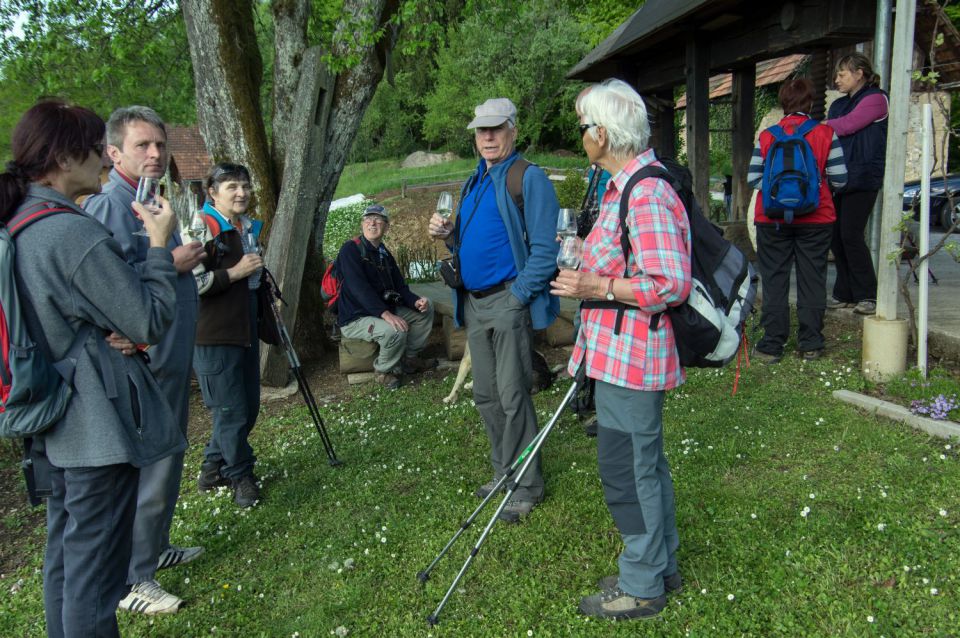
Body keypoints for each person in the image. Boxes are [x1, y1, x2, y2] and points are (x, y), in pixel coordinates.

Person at [0, 100, 179, 637]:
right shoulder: (68, 233)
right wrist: (157, 244)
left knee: (66, 560)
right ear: (61, 156)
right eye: (93, 148)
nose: (104, 158)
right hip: (94, 426)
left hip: (53, 415)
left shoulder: (19, 221)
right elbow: (148, 319)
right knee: (97, 576)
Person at [551, 79, 691, 620]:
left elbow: (669, 283)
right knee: (642, 465)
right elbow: (629, 255)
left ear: (603, 134)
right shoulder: (619, 186)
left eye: (585, 126)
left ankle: (642, 585)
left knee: (627, 468)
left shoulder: (646, 191)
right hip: (616, 355)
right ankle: (660, 565)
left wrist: (596, 286)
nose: (582, 135)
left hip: (633, 360)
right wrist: (590, 256)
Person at [83, 105, 206, 614]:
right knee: (151, 463)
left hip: (169, 358)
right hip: (144, 364)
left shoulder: (148, 199)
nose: (156, 153)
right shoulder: (110, 208)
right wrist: (173, 261)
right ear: (114, 153)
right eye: (142, 145)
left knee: (168, 456)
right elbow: (100, 286)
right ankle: (136, 579)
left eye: (160, 143)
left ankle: (153, 547)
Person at [428, 97, 559, 523]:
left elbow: (544, 250)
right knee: (485, 394)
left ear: (513, 131)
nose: (487, 137)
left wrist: (519, 297)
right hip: (474, 302)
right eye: (481, 130)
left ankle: (527, 485)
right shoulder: (473, 181)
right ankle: (504, 470)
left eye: (495, 128)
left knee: (512, 393)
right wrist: (450, 236)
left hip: (506, 301)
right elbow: (468, 246)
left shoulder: (528, 177)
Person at [747, 78, 848, 363]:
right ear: (811, 103)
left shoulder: (767, 137)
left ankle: (771, 345)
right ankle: (811, 344)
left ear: (783, 103)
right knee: (812, 278)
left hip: (771, 218)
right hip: (817, 219)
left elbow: (753, 178)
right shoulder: (827, 134)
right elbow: (840, 178)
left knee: (775, 279)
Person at [193, 162, 266, 508]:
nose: (241, 193)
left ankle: (212, 469)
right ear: (212, 193)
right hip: (214, 335)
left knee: (246, 407)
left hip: (245, 330)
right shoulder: (201, 227)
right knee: (231, 410)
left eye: (245, 186)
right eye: (232, 187)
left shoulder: (245, 227)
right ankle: (240, 476)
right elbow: (189, 284)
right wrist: (234, 273)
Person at [337, 204, 436, 389]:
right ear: (362, 224)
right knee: (395, 330)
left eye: (378, 219)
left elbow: (399, 286)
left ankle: (410, 359)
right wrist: (386, 314)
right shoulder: (350, 250)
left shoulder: (383, 253)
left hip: (381, 311)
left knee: (427, 308)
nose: (372, 223)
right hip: (356, 317)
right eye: (368, 219)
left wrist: (415, 301)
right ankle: (383, 371)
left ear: (387, 226)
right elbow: (359, 289)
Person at [824, 52, 889, 315]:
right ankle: (845, 292)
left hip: (863, 177)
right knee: (836, 236)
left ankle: (867, 295)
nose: (837, 80)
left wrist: (821, 126)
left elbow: (849, 125)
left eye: (842, 74)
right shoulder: (839, 104)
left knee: (850, 234)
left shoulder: (876, 99)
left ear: (859, 73)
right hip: (838, 177)